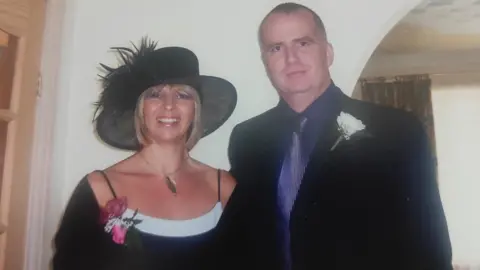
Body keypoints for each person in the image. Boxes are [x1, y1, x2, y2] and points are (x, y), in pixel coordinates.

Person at [228, 2, 453, 270]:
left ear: (328, 53)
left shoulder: (396, 130)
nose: (291, 59)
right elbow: (245, 238)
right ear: (266, 62)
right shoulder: (247, 139)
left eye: (303, 44)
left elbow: (429, 243)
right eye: (276, 48)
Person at [52, 37, 247, 270]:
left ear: (196, 109)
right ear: (140, 109)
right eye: (155, 94)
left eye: (183, 95)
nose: (169, 104)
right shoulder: (99, 189)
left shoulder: (223, 187)